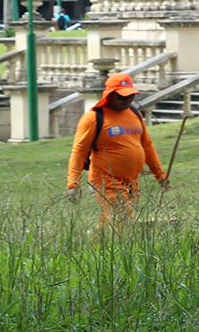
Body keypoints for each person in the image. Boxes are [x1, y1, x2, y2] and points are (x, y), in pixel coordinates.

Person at [66, 71, 168, 226]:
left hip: (132, 181)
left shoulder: (135, 114)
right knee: (121, 216)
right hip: (105, 179)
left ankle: (93, 244)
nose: (127, 101)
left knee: (116, 222)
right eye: (122, 97)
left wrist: (160, 175)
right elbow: (79, 151)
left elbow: (147, 146)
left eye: (131, 96)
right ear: (109, 95)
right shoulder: (94, 118)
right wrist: (73, 184)